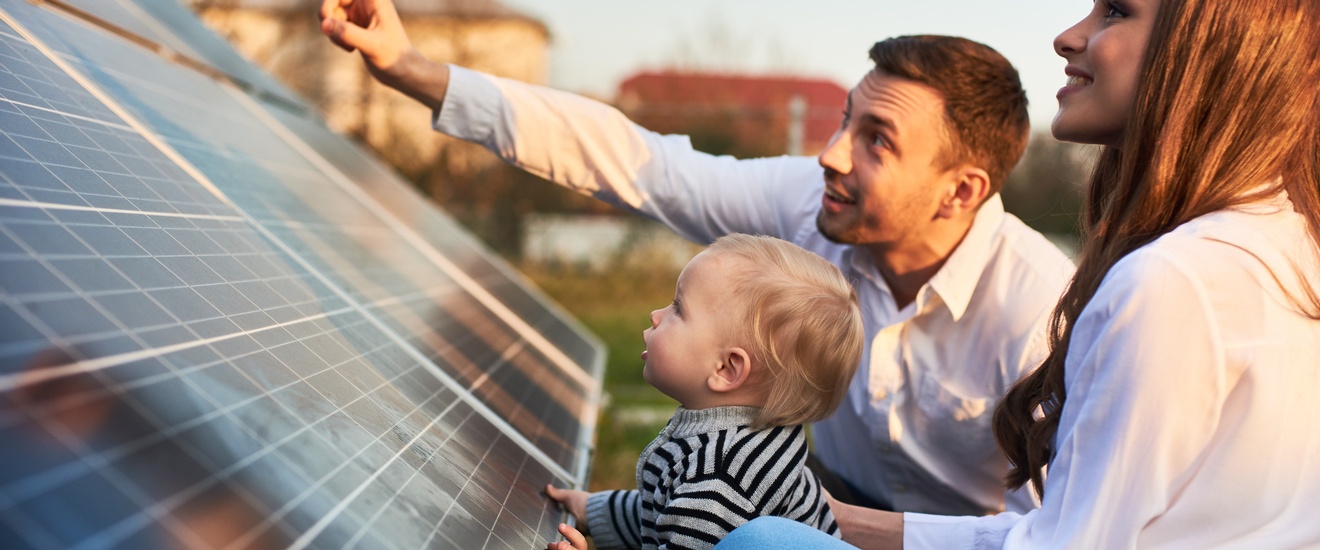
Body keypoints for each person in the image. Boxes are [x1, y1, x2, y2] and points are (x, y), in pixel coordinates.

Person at [318, 0, 1076, 518]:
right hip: (816, 502)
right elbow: (637, 163)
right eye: (847, 119)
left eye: (877, 139)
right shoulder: (813, 205)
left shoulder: (1041, 314)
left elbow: (1056, 533)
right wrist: (411, 68)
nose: (831, 153)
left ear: (960, 190)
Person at [717, 0, 1320, 547]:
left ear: (1207, 54)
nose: (1066, 37)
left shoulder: (1172, 283)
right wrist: (846, 522)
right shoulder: (1288, 240)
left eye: (1114, 12)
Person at [540, 233, 863, 550]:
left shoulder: (721, 480)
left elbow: (689, 518)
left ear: (726, 370)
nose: (656, 315)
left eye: (678, 308)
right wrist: (592, 512)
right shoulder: (730, 441)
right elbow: (667, 511)